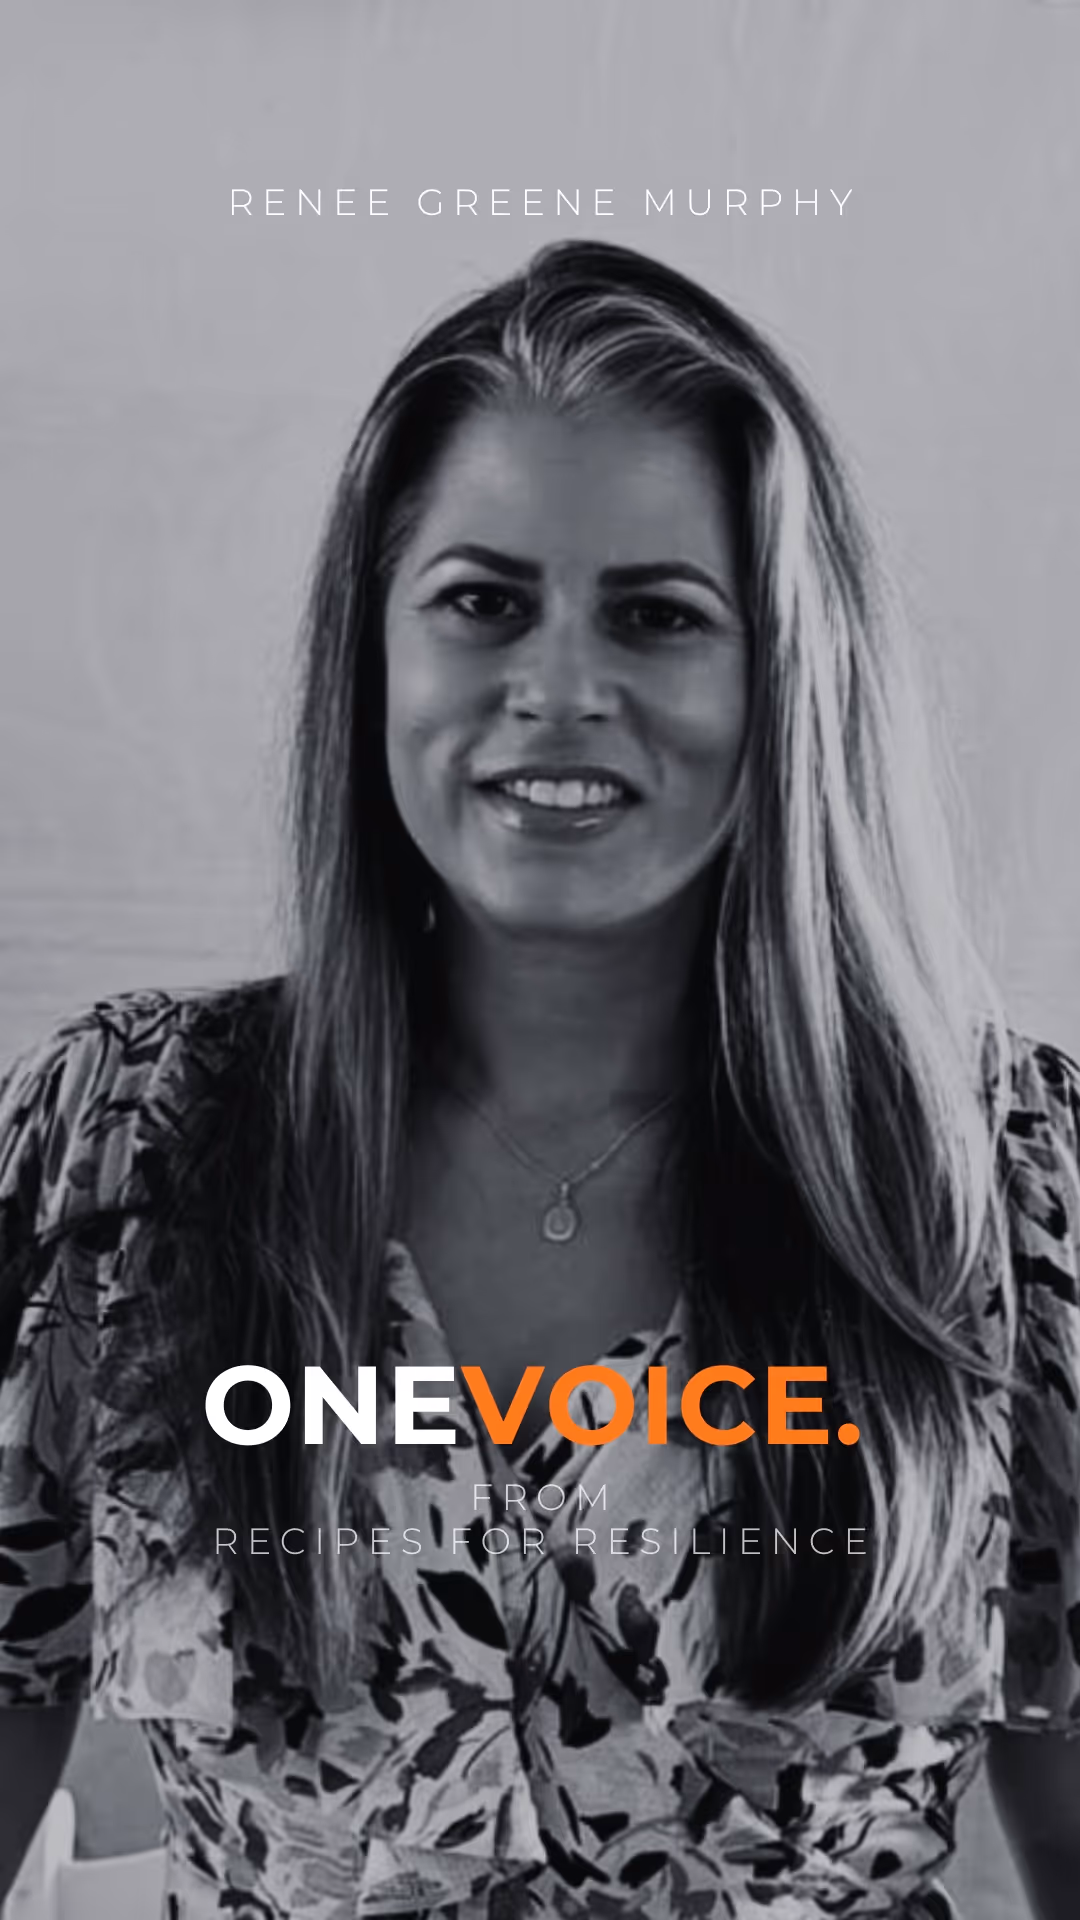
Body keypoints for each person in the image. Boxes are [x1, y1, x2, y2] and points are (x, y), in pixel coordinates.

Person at [1, 241, 1078, 1920]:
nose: (560, 690)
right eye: (484, 601)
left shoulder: (1007, 1184)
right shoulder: (116, 1145)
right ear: (378, 657)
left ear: (784, 675)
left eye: (658, 615)